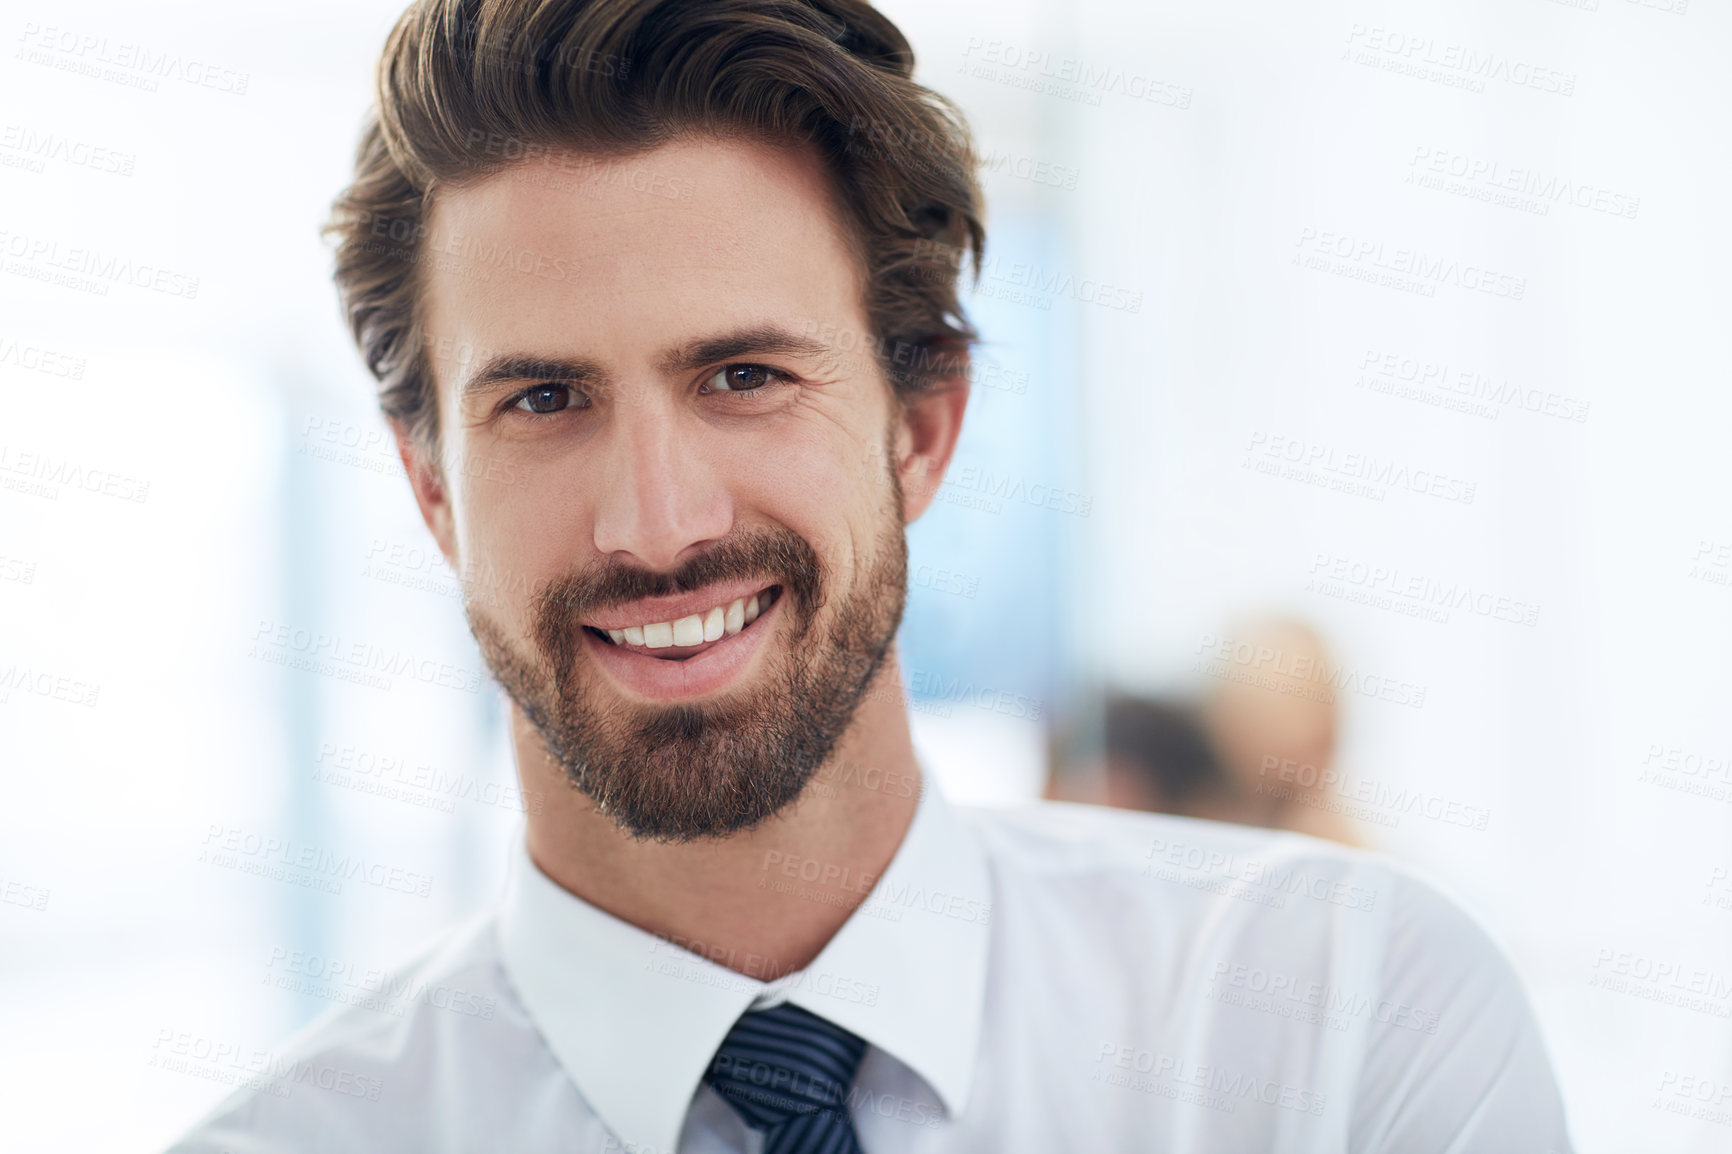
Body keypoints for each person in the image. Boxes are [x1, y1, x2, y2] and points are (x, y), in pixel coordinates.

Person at [169, 1, 1573, 1150]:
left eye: (744, 375)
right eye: (544, 400)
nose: (654, 525)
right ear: (430, 487)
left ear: (921, 427)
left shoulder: (1334, 1024)